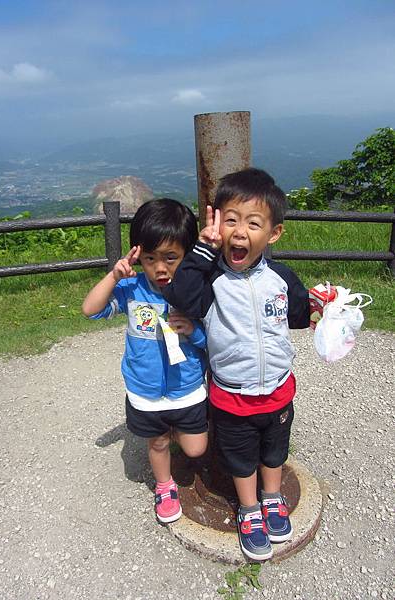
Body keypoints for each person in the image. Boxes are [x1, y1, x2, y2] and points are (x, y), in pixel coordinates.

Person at [162, 168, 311, 560]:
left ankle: (273, 498)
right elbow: (181, 295)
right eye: (230, 220)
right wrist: (202, 250)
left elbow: (298, 314)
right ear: (217, 225)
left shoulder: (281, 277)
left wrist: (321, 307)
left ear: (273, 234)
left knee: (275, 451)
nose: (240, 231)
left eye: (253, 223)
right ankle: (249, 510)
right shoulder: (209, 279)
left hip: (279, 389)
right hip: (232, 397)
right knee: (241, 458)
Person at [82, 198, 208, 524]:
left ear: (187, 253)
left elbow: (214, 341)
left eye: (171, 258)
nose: (160, 268)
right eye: (150, 259)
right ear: (138, 254)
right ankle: (165, 486)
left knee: (195, 448)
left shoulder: (196, 292)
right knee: (157, 442)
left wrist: (194, 331)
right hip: (145, 389)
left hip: (187, 387)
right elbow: (90, 309)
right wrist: (114, 277)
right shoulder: (132, 289)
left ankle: (177, 431)